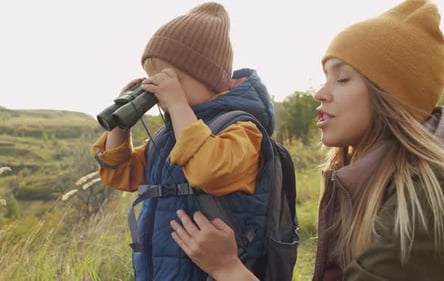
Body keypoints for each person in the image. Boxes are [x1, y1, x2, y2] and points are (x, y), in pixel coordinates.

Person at [170, 0, 444, 280]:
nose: (320, 93)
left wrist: (228, 268)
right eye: (326, 77)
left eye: (343, 79)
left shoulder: (424, 198)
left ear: (391, 96)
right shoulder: (372, 178)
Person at [91, 2, 277, 280]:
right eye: (153, 78)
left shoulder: (242, 129)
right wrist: (121, 121)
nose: (161, 87)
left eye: (171, 78)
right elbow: (121, 176)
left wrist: (178, 106)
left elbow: (209, 171)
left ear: (210, 78)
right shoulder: (172, 136)